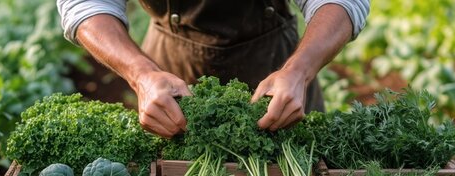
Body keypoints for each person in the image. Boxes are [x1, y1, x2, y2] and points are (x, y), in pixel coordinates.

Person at [57, 0, 370, 138]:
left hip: (277, 72)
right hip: (170, 74)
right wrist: (141, 75)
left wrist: (299, 71)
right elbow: (86, 4)